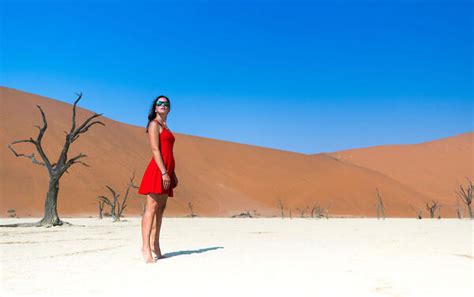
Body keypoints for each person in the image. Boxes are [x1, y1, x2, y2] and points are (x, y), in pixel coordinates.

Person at [138, 95, 179, 263]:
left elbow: (169, 151)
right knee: (151, 207)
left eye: (166, 104)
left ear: (169, 108)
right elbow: (155, 149)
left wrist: (172, 172)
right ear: (155, 108)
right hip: (157, 170)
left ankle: (155, 244)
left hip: (167, 170)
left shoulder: (166, 126)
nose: (163, 105)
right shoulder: (154, 124)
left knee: (161, 209)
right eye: (159, 103)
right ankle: (145, 247)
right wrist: (164, 172)